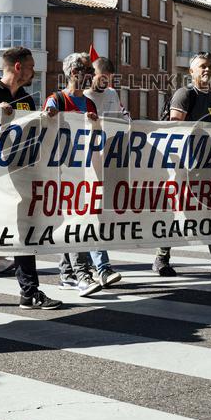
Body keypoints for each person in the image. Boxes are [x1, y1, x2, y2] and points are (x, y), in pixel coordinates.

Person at [0, 46, 62, 310]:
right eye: (30, 67)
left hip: (18, 175)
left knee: (24, 232)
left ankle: (30, 292)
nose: (33, 72)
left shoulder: (27, 99)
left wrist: (47, 120)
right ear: (18, 67)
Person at [154, 51, 211, 279]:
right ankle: (161, 258)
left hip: (208, 167)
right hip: (184, 167)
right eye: (202, 66)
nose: (207, 70)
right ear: (191, 71)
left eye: (210, 67)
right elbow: (174, 130)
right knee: (178, 212)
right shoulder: (184, 95)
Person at [45, 51, 119, 297]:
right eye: (86, 72)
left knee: (79, 220)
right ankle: (83, 274)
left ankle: (67, 275)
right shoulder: (56, 100)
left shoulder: (88, 104)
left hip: (85, 171)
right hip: (61, 172)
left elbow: (97, 134)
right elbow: (44, 130)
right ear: (73, 73)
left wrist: (95, 122)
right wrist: (51, 118)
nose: (89, 76)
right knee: (76, 221)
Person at [82, 56, 127, 287]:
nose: (105, 84)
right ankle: (99, 267)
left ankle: (82, 269)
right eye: (102, 78)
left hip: (103, 164)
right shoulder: (79, 96)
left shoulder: (111, 94)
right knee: (88, 215)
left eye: (109, 80)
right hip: (80, 168)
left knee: (94, 215)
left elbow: (119, 123)